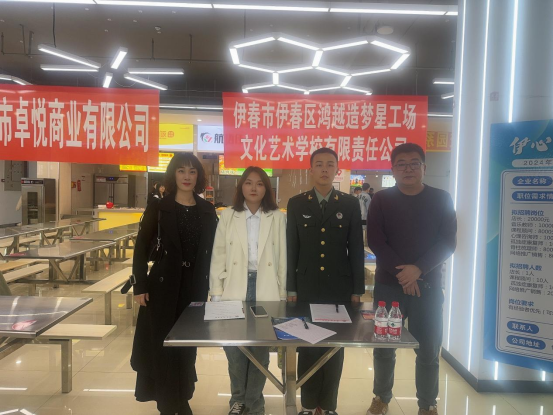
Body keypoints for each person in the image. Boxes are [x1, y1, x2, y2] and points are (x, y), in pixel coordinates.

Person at [366, 143, 457, 415]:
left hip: (428, 287)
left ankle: (427, 404)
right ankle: (381, 397)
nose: (408, 168)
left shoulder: (442, 198)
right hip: (388, 286)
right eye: (401, 164)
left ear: (424, 168)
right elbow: (376, 241)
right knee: (384, 347)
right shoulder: (381, 200)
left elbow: (447, 242)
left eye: (414, 163)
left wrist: (418, 269)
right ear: (393, 170)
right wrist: (403, 274)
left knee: (428, 349)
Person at [129, 153, 218, 415]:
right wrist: (139, 286)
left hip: (194, 287)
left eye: (192, 171)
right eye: (181, 171)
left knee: (187, 346)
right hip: (162, 287)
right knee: (163, 345)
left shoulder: (207, 210)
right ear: (173, 175)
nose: (187, 177)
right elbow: (140, 248)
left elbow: (214, 250)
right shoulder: (159, 208)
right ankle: (168, 403)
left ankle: (183, 397)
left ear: (198, 176)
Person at [287, 147, 365, 415]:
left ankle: (328, 405)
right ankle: (308, 405)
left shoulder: (349, 203)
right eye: (319, 164)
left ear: (337, 170)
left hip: (338, 287)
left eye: (329, 164)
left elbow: (356, 249)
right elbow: (292, 248)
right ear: (310, 170)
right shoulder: (297, 203)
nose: (324, 169)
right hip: (306, 286)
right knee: (308, 344)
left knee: (334, 346)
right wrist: (291, 287)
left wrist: (357, 290)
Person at [210, 166, 287, 415]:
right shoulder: (228, 215)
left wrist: (283, 294)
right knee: (234, 350)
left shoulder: (277, 217)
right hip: (234, 286)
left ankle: (254, 403)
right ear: (241, 186)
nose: (254, 188)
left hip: (265, 286)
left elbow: (283, 258)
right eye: (249, 183)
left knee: (260, 351)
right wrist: (216, 292)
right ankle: (237, 400)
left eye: (260, 183)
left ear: (267, 189)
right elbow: (218, 254)